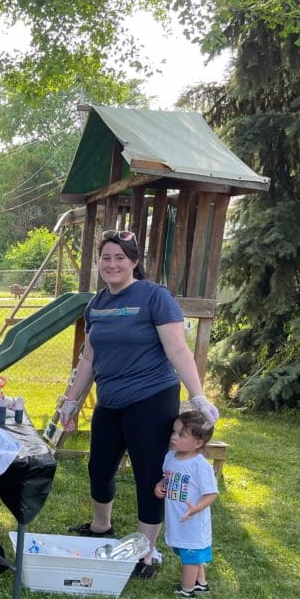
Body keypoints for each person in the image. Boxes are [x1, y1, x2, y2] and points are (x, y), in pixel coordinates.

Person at [58, 229, 220, 579]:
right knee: (99, 469)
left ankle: (147, 554)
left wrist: (197, 394)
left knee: (150, 478)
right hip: (110, 400)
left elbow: (177, 348)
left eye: (120, 257)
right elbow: (89, 358)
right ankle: (102, 526)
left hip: (151, 400)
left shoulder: (154, 297)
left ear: (133, 261)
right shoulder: (97, 304)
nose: (112, 264)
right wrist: (72, 402)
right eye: (106, 257)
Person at [154, 410, 219, 599]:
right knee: (191, 552)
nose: (174, 437)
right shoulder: (170, 457)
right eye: (174, 432)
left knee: (190, 557)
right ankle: (200, 583)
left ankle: (187, 590)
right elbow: (166, 478)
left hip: (192, 521)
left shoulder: (200, 465)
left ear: (198, 443)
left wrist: (196, 508)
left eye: (181, 435)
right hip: (178, 519)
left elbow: (211, 493)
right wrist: (160, 486)